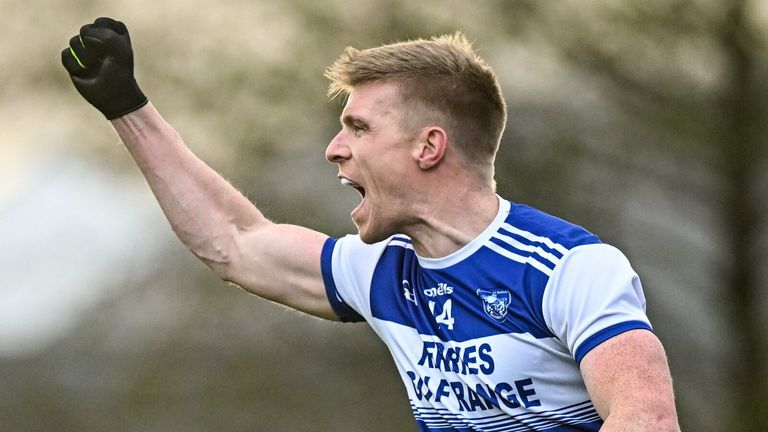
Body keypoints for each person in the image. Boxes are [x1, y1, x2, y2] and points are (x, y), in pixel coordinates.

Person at [62, 17, 680, 432]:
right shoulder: (382, 268)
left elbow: (646, 419)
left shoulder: (571, 268)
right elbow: (234, 243)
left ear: (428, 146)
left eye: (358, 128)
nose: (334, 148)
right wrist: (127, 109)